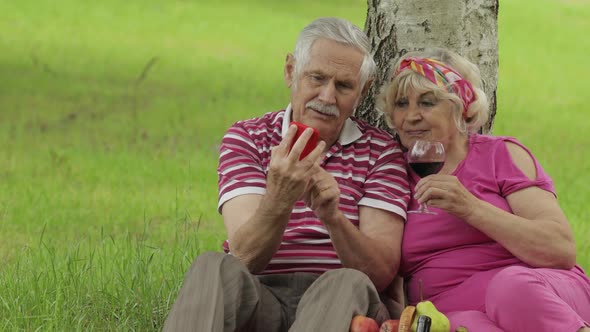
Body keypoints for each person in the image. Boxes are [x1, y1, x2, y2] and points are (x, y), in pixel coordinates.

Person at [163, 17, 411, 332]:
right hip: (260, 295)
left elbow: (380, 273)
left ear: (362, 92)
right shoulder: (248, 138)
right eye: (317, 78)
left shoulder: (381, 152)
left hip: (339, 304)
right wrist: (280, 197)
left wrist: (333, 218)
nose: (327, 97)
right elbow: (246, 257)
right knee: (213, 266)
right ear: (291, 71)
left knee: (348, 281)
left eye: (344, 86)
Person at [377, 47, 590, 331]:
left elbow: (560, 250)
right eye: (401, 104)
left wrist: (470, 208)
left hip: (535, 293)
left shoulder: (500, 155)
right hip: (454, 311)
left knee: (509, 288)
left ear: (461, 105)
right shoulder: (391, 173)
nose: (411, 116)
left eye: (427, 103)